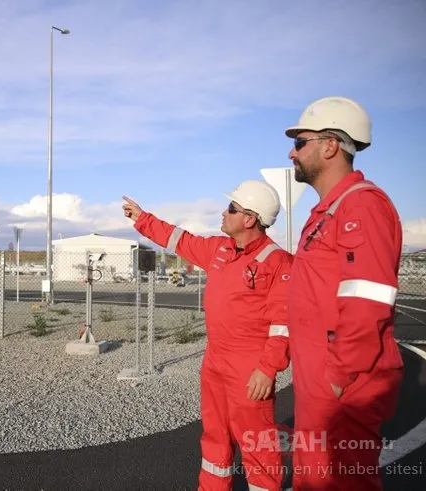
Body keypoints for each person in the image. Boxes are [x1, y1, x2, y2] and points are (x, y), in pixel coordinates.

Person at [123, 180, 292, 491]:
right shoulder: (220, 249)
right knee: (215, 438)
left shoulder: (278, 262)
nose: (223, 213)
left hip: (249, 366)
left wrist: (267, 369)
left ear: (250, 219)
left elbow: (285, 324)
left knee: (257, 443)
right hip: (215, 361)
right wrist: (142, 218)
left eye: (231, 208)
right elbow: (180, 240)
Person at [284, 96, 404, 490]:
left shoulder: (360, 206)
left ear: (330, 145)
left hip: (342, 385)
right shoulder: (329, 211)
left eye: (300, 143)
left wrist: (334, 379)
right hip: (322, 380)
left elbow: (367, 301)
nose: (292, 152)